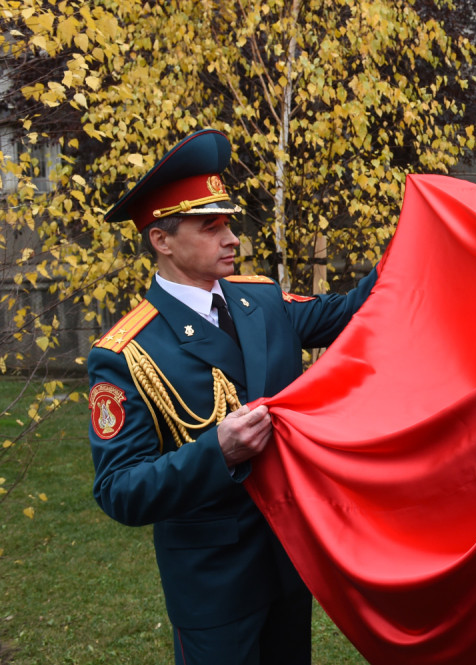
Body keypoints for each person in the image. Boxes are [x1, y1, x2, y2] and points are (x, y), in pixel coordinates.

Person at [87, 129, 378, 665]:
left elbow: (358, 308)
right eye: (211, 226)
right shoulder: (126, 353)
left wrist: (437, 233)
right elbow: (119, 489)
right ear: (162, 239)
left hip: (290, 560)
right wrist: (215, 451)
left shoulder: (261, 300)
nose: (231, 239)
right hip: (214, 587)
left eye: (228, 223)